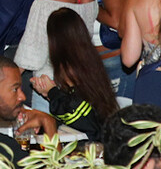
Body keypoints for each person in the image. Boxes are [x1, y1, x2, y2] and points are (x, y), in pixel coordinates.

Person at [29, 8, 117, 139]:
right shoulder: (88, 58)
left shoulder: (71, 67)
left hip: (95, 141)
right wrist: (48, 93)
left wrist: (52, 92)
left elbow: (76, 113)